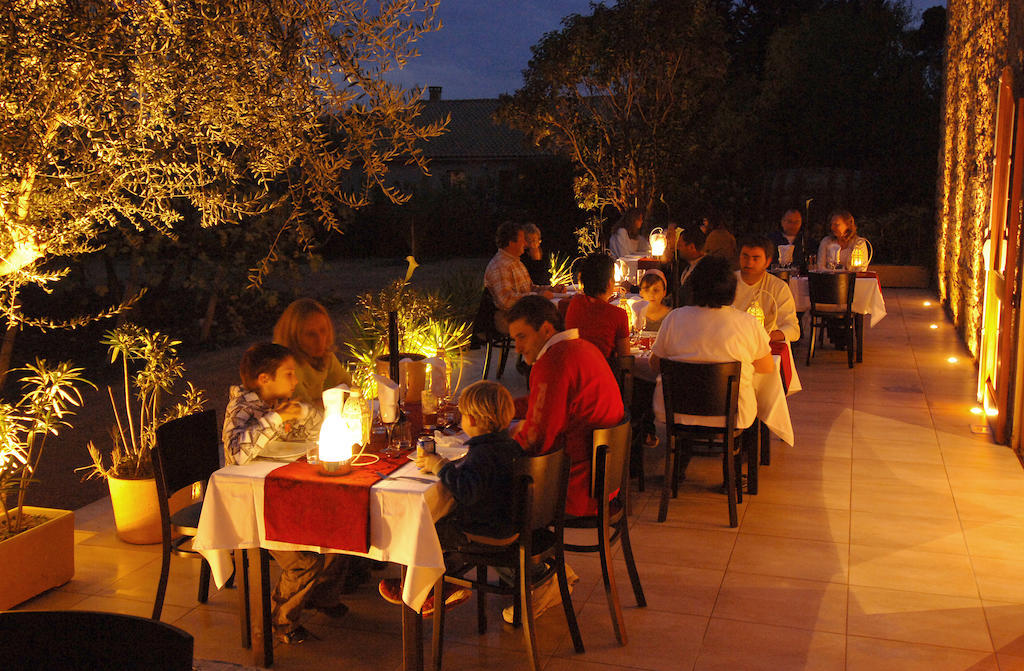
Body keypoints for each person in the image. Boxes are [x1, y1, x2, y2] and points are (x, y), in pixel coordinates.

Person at [222, 342, 349, 645]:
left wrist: (307, 412)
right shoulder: (242, 408)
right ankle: (279, 622)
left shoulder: (277, 402)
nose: (295, 381)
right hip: (255, 504)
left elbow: (315, 429)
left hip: (287, 492)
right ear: (265, 378)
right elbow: (237, 453)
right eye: (289, 374)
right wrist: (277, 419)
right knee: (304, 561)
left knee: (341, 532)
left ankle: (321, 596)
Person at [378, 380, 522, 614]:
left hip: (486, 528)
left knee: (425, 526)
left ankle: (425, 588)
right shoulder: (508, 446)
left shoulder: (482, 453)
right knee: (441, 519)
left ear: (472, 420)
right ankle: (441, 580)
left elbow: (466, 492)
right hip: (506, 521)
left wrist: (441, 467)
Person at [507, 295, 624, 517]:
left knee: (480, 482)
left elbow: (537, 437)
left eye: (521, 337)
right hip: (604, 483)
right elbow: (546, 402)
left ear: (546, 330)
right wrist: (498, 408)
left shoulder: (553, 362)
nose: (518, 348)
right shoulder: (581, 347)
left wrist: (495, 442)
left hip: (575, 490)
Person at [651, 256, 775, 434]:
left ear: (694, 287)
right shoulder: (747, 322)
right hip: (732, 414)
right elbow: (766, 365)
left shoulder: (674, 318)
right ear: (732, 289)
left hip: (676, 413)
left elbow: (655, 364)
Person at [273, 298, 352, 405]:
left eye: (323, 330)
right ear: (294, 336)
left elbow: (351, 390)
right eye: (310, 334)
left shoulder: (325, 355)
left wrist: (324, 402)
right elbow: (304, 410)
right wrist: (333, 400)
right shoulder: (286, 366)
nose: (320, 340)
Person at [484, 221, 554, 333]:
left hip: (523, 313)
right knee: (552, 323)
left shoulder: (516, 262)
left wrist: (550, 289)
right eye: (523, 240)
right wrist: (537, 296)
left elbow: (530, 288)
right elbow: (506, 301)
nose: (526, 244)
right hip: (509, 318)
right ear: (511, 243)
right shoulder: (500, 265)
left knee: (556, 318)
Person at [732, 236, 800, 342]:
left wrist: (764, 337)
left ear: (767, 262)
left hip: (765, 345)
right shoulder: (728, 283)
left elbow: (792, 329)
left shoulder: (778, 287)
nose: (749, 263)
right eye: (745, 256)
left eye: (756, 258)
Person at [564, 253, 630, 361]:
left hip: (575, 369)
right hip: (602, 372)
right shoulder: (618, 315)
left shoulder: (574, 303)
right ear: (610, 283)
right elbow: (625, 359)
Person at [675, 225, 707, 307]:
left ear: (692, 247)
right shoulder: (687, 266)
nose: (678, 249)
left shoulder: (705, 270)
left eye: (680, 245)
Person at [521, 223, 550, 287]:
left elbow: (545, 279)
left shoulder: (543, 255)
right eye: (529, 241)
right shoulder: (521, 258)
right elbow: (536, 282)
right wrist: (536, 261)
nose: (532, 245)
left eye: (534, 241)